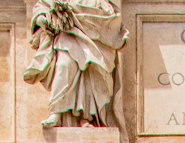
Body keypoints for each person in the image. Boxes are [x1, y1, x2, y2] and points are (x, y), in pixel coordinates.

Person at [24, 0, 128, 129]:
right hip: (67, 34)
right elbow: (42, 6)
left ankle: (86, 117)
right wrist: (42, 19)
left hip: (92, 38)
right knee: (64, 65)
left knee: (90, 71)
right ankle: (56, 111)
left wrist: (84, 13)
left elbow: (109, 13)